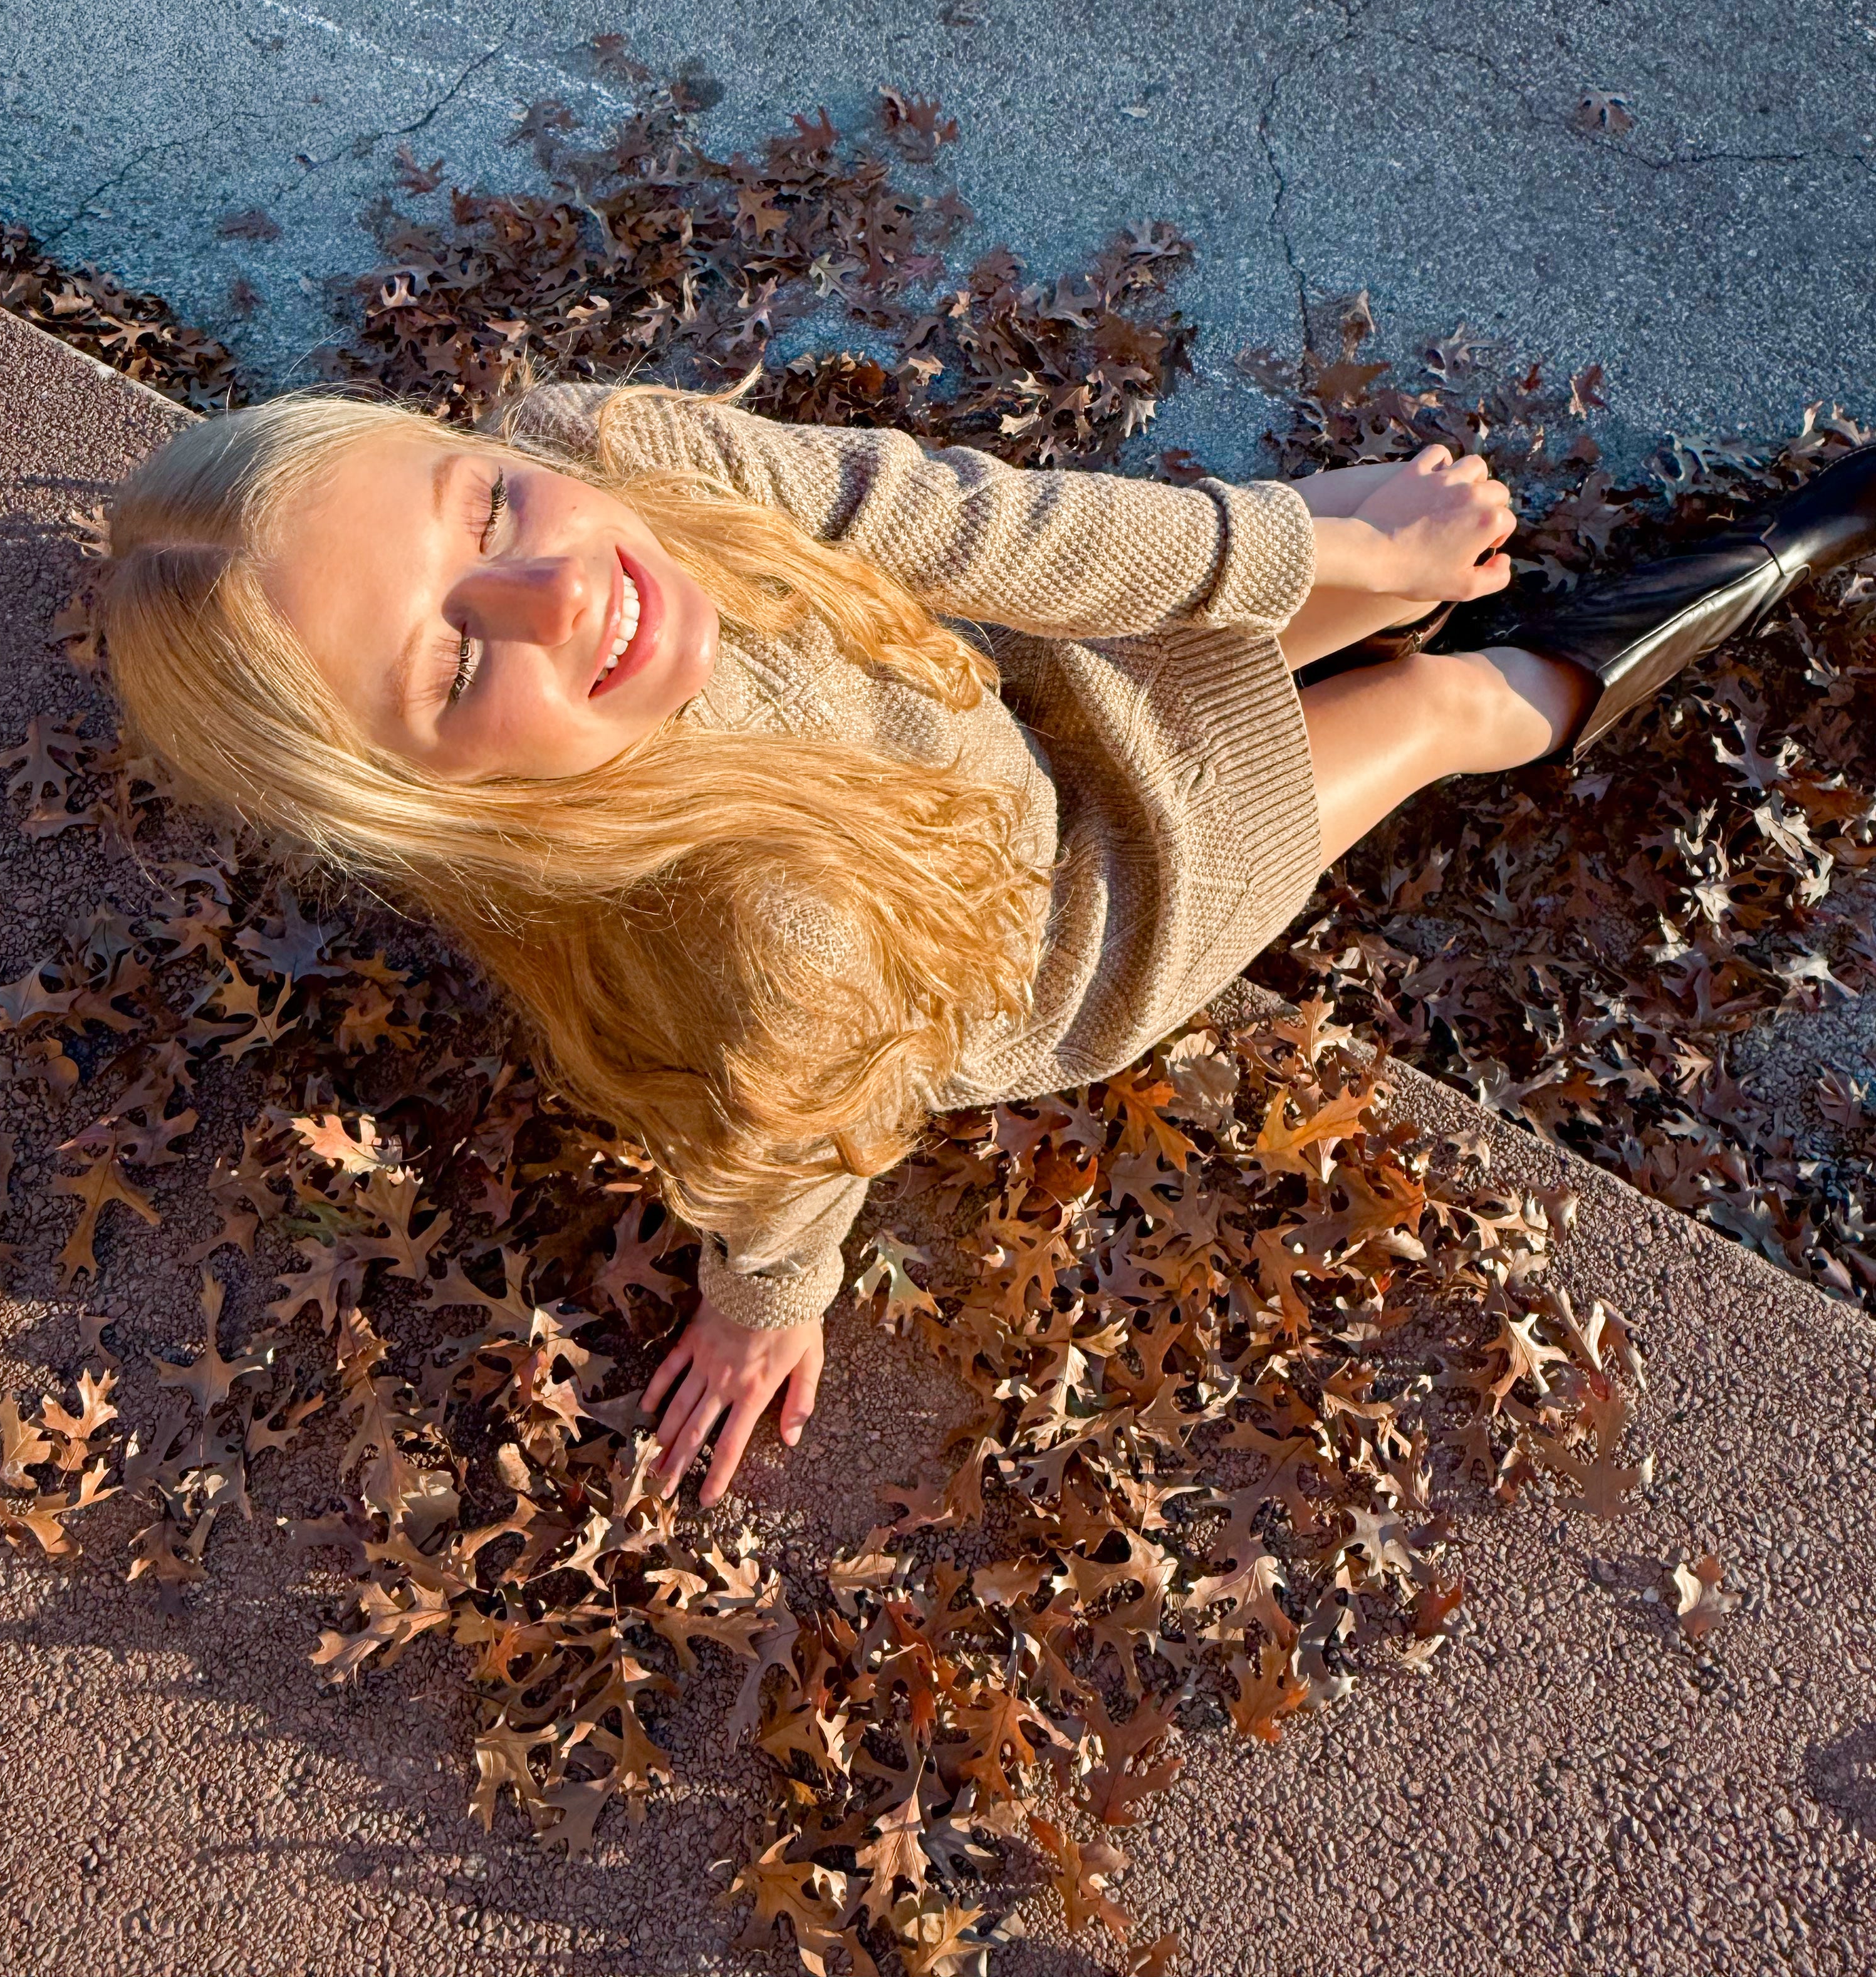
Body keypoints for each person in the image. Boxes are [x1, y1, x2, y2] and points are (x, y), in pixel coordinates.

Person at [96, 375, 1876, 1505]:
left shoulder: (609, 456)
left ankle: (1375, 576)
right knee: (1424, 697)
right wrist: (762, 1309)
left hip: (1000, 709)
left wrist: (1306, 530)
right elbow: (786, 1149)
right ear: (436, 812)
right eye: (456, 663)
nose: (561, 587)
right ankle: (1610, 645)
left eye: (478, 509)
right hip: (1070, 924)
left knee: (1352, 573)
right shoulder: (749, 936)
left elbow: (956, 520)